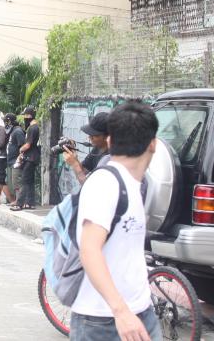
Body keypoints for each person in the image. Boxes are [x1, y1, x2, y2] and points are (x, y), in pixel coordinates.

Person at [71, 100, 161, 341]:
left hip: (141, 312)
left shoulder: (136, 184)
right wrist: (121, 312)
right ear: (153, 144)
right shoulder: (106, 183)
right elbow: (89, 250)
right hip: (101, 321)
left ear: (109, 141)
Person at [64, 112, 110, 185]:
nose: (89, 138)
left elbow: (89, 188)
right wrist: (74, 157)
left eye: (93, 135)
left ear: (106, 136)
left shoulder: (110, 158)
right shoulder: (98, 148)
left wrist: (74, 164)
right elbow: (83, 171)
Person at [12, 106, 40, 211]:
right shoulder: (35, 127)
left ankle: (19, 204)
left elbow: (28, 145)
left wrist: (20, 150)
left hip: (30, 157)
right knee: (30, 181)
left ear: (30, 115)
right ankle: (30, 203)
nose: (24, 117)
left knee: (24, 180)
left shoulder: (32, 128)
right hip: (33, 156)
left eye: (25, 115)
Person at [4, 113, 24, 205]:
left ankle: (18, 201)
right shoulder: (13, 131)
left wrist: (19, 160)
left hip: (16, 162)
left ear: (11, 121)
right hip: (11, 161)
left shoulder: (18, 131)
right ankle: (17, 200)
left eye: (7, 121)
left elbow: (22, 147)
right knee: (14, 182)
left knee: (17, 182)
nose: (6, 124)